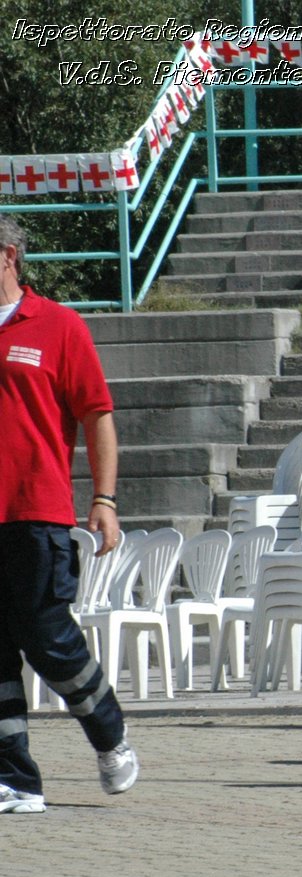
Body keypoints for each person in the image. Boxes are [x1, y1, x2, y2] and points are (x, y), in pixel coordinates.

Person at [0, 214, 139, 814]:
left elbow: (97, 416)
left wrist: (104, 501)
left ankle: (109, 734)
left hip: (37, 511)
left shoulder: (57, 326)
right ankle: (17, 781)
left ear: (7, 255)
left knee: (48, 640)